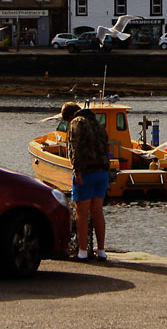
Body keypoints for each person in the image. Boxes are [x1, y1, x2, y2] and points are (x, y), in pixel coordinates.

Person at [61, 101, 110, 262]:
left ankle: (82, 252)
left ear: (69, 117)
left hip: (86, 172)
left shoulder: (76, 123)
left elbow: (75, 148)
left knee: (81, 213)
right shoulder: (97, 123)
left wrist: (77, 171)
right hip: (102, 171)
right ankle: (101, 251)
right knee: (97, 211)